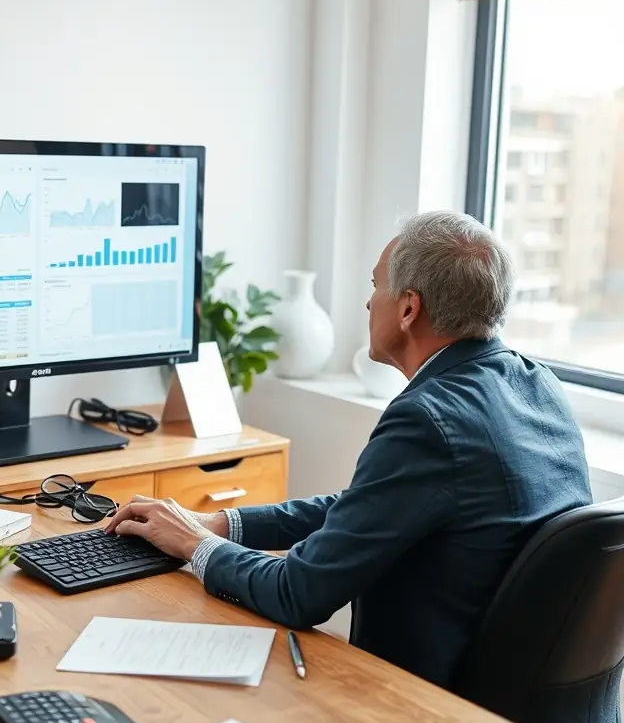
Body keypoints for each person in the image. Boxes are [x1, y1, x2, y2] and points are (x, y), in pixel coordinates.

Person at [106, 212, 592, 689]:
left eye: (375, 285)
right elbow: (370, 508)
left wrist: (193, 546)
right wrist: (221, 523)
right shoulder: (536, 384)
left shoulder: (427, 419)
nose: (366, 302)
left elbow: (298, 593)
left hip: (432, 718)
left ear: (408, 309)